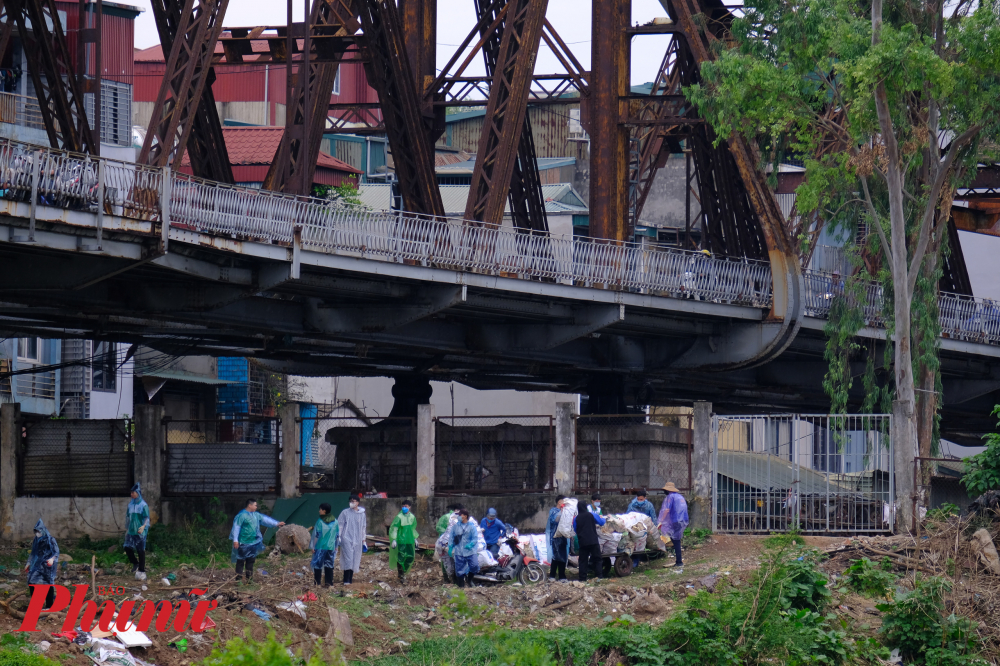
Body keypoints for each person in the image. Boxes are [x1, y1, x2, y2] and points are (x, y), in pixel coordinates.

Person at [230, 499, 284, 582]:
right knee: (240, 561)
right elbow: (236, 528)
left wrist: (276, 523)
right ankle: (238, 579)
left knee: (250, 561)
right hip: (243, 542)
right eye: (255, 505)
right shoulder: (241, 516)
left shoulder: (256, 515)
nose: (256, 507)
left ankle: (249, 579)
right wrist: (235, 540)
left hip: (253, 543)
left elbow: (265, 519)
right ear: (249, 505)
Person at [25, 519, 58, 609]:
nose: (37, 533)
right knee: (31, 581)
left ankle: (49, 605)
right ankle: (35, 603)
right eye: (36, 531)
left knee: (48, 584)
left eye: (39, 531)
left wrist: (52, 559)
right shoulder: (36, 540)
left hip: (47, 566)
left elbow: (56, 552)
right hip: (36, 565)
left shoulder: (50, 539)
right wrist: (28, 563)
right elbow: (33, 553)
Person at [573, 498, 606, 583]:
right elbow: (601, 522)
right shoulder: (591, 515)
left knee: (583, 561)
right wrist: (604, 518)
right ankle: (599, 576)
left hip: (583, 542)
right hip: (593, 541)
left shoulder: (576, 519)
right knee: (597, 559)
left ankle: (582, 578)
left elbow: (575, 529)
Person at [657, 482, 689, 567]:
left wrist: (661, 520)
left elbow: (666, 510)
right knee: (676, 540)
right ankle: (678, 560)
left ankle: (679, 562)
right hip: (683, 520)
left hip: (676, 520)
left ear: (667, 490)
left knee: (676, 541)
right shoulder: (680, 496)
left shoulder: (670, 497)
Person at [337, 495, 367, 585]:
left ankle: (350, 579)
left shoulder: (362, 514)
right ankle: (346, 580)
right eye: (351, 501)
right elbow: (340, 525)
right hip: (346, 537)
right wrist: (339, 536)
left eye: (354, 501)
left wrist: (363, 540)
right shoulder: (345, 513)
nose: (352, 503)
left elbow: (363, 528)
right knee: (348, 558)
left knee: (355, 559)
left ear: (358, 502)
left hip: (357, 539)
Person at [123, 482, 150, 581]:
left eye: (133, 492)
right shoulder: (130, 505)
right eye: (131, 493)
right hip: (131, 530)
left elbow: (146, 517)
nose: (131, 494)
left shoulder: (143, 505)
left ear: (137, 493)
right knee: (127, 547)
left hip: (140, 530)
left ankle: (142, 569)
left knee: (140, 550)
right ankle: (135, 563)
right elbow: (127, 517)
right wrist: (127, 528)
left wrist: (143, 527)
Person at [389, 500, 418, 583]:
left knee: (410, 557)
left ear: (410, 507)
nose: (404, 508)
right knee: (401, 557)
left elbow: (413, 529)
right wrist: (394, 539)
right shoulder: (399, 517)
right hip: (401, 540)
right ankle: (401, 575)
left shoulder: (412, 517)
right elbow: (394, 528)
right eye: (403, 506)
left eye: (406, 506)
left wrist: (415, 538)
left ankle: (404, 572)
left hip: (409, 540)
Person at [449, 509, 480, 588]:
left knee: (475, 566)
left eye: (461, 515)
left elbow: (475, 538)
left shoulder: (471, 527)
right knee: (459, 569)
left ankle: (470, 579)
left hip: (470, 551)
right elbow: (451, 537)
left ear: (465, 516)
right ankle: (461, 586)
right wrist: (450, 546)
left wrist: (471, 544)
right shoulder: (455, 527)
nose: (459, 517)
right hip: (459, 551)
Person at [310, 503, 339, 588]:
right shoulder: (335, 521)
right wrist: (336, 546)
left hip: (320, 547)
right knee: (329, 564)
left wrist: (313, 546)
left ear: (324, 511)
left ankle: (317, 584)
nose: (319, 511)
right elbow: (337, 536)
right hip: (330, 547)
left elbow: (317, 535)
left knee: (318, 564)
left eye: (320, 509)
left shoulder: (320, 521)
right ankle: (329, 584)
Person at [436, 504, 462, 583]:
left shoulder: (460, 518)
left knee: (453, 560)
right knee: (446, 560)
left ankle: (454, 578)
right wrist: (447, 533)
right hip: (445, 542)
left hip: (455, 542)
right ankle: (446, 578)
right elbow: (438, 527)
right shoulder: (447, 517)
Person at [545, 496, 569, 582]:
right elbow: (554, 520)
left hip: (563, 536)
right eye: (563, 501)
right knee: (555, 556)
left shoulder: (566, 511)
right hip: (555, 537)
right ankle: (552, 575)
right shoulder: (553, 511)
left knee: (563, 556)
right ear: (559, 502)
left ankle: (562, 576)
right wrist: (561, 512)